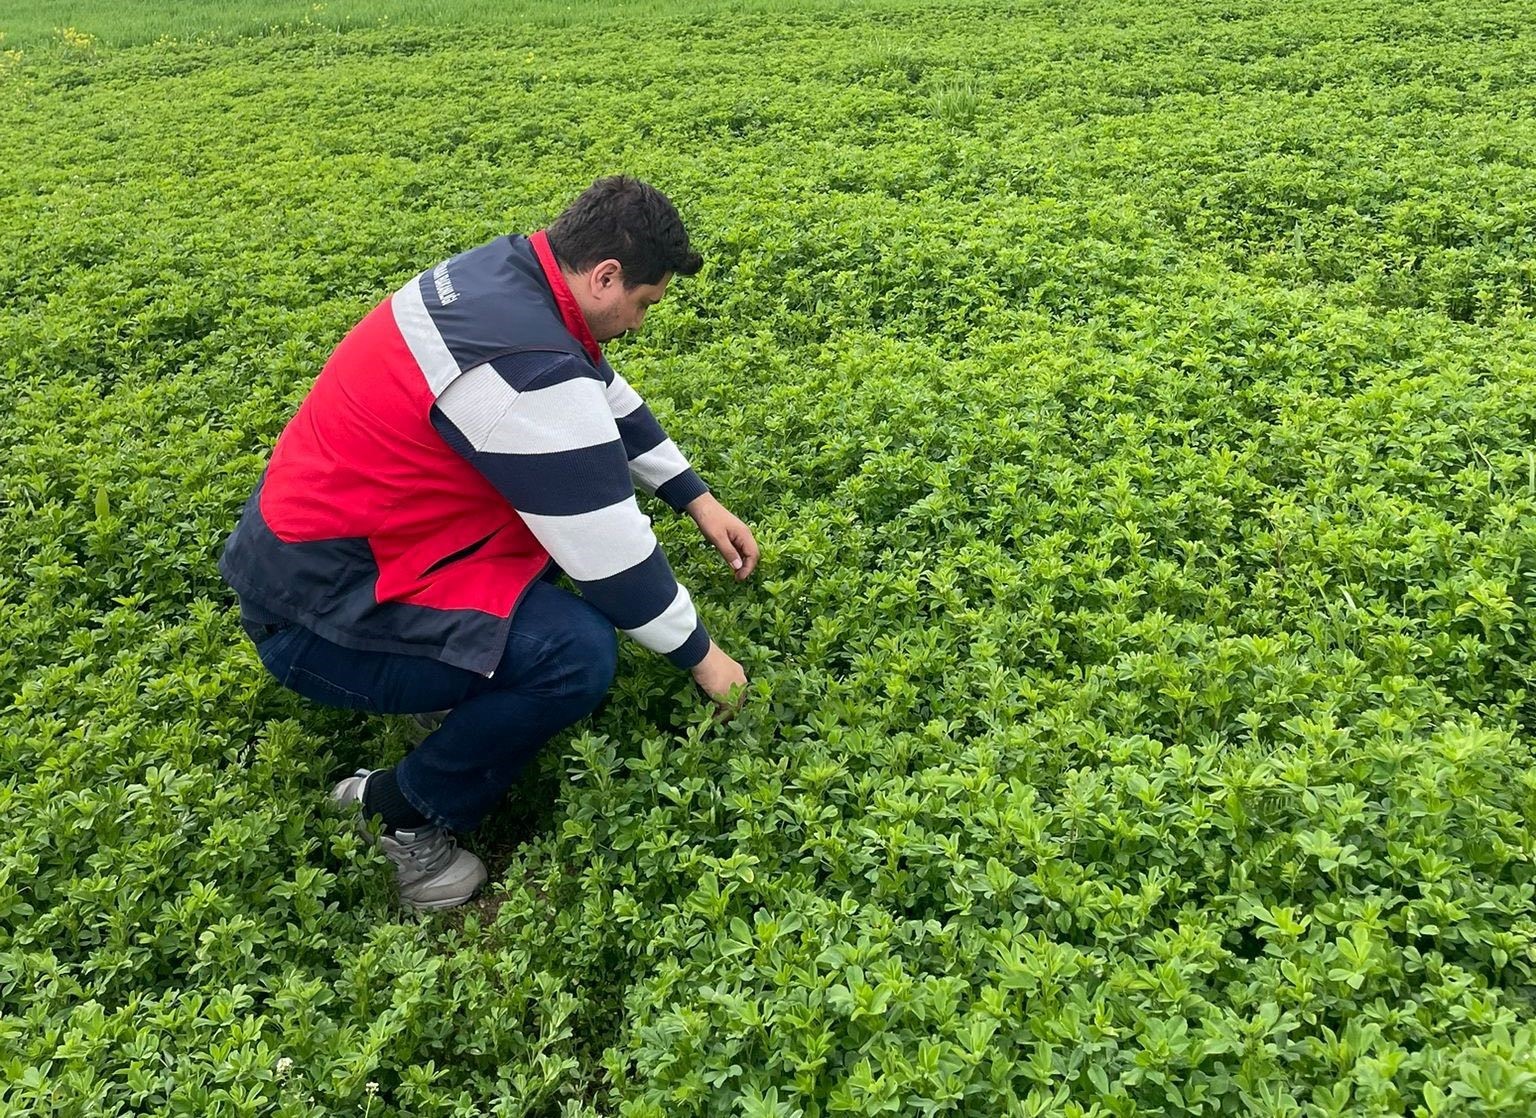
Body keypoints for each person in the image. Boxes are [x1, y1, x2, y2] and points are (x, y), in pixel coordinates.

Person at [219, 176, 758, 910]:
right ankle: (397, 812)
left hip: (318, 554)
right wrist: (705, 659)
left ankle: (446, 687)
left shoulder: (505, 275)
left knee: (538, 578)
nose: (637, 323)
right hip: (315, 616)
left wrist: (693, 495)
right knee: (576, 654)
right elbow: (612, 560)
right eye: (643, 303)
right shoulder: (522, 369)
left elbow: (596, 386)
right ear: (605, 277)